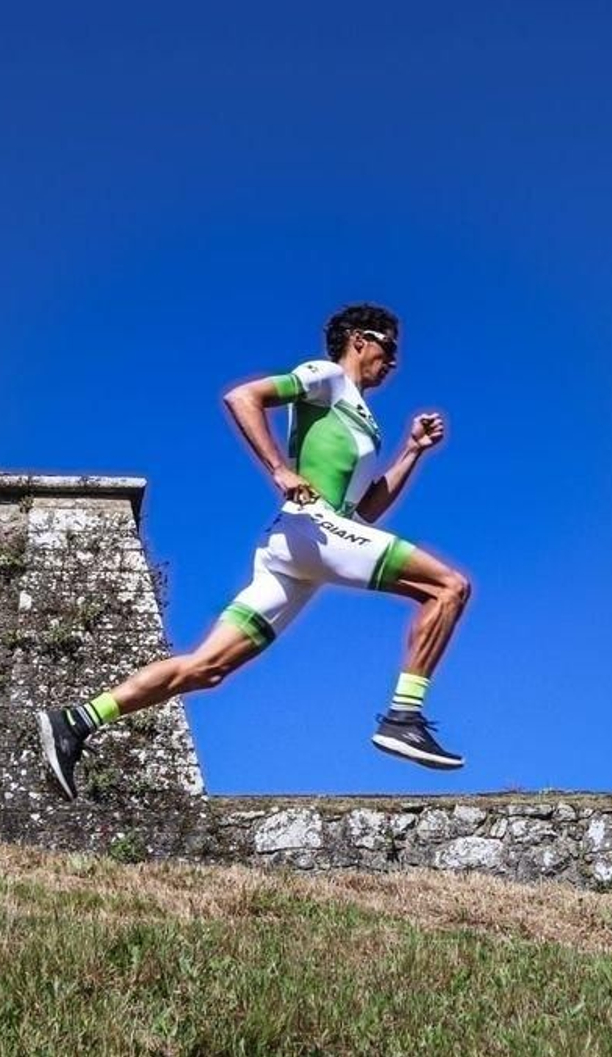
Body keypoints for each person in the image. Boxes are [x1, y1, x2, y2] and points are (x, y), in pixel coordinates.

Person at [37, 302, 471, 800]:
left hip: (307, 548)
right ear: (358, 340)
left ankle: (75, 721)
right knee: (449, 587)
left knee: (207, 668)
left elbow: (364, 513)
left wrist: (412, 450)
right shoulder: (327, 376)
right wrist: (279, 471)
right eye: (388, 346)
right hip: (311, 530)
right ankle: (403, 716)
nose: (393, 360)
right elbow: (243, 396)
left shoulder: (364, 417)